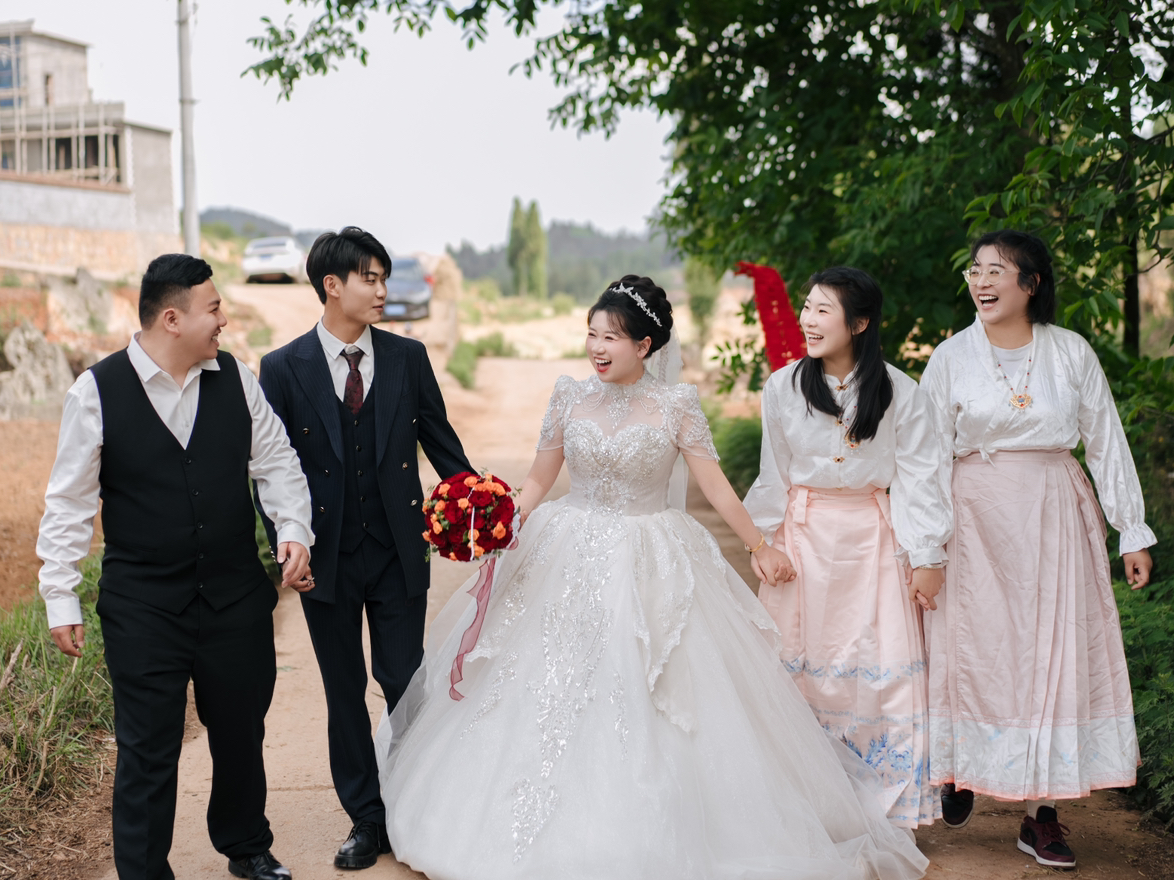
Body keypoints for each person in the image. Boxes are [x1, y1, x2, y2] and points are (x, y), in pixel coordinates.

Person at [373, 276, 929, 880]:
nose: (596, 347)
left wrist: (759, 544)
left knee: (651, 682)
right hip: (566, 547)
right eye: (591, 334)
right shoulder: (567, 396)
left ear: (645, 345)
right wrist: (500, 523)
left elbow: (715, 486)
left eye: (610, 337)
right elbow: (537, 480)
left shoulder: (676, 405)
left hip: (649, 556)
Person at [36, 254, 314, 880]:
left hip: (235, 597)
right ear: (172, 318)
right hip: (143, 606)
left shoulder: (236, 379)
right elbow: (69, 503)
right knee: (147, 745)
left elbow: (277, 462)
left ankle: (246, 844)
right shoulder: (95, 392)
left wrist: (294, 531)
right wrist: (60, 596)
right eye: (213, 308)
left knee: (240, 730)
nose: (224, 320)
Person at [919, 229, 1154, 868]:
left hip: (1054, 516)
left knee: (1052, 655)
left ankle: (1041, 816)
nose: (981, 281)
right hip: (974, 520)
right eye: (974, 270)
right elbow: (926, 458)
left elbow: (1105, 439)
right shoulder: (950, 357)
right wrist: (926, 547)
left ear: (1032, 283)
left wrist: (1131, 529)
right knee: (981, 649)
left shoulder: (1071, 351)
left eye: (997, 270)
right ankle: (962, 767)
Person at [256, 227, 473, 870]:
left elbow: (443, 446)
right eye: (370, 279)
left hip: (398, 548)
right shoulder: (282, 367)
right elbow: (270, 469)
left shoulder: (407, 358)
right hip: (324, 557)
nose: (382, 290)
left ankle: (414, 803)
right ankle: (367, 818)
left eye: (383, 278)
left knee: (404, 680)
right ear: (332, 285)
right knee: (345, 688)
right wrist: (286, 546)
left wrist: (482, 510)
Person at [742, 266, 953, 829]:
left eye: (823, 310)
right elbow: (773, 473)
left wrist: (927, 557)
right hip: (802, 540)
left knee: (878, 667)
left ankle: (887, 809)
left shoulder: (901, 392)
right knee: (800, 666)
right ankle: (804, 806)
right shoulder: (783, 387)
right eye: (807, 307)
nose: (808, 320)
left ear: (859, 323)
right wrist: (763, 544)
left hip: (873, 539)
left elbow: (920, 479)